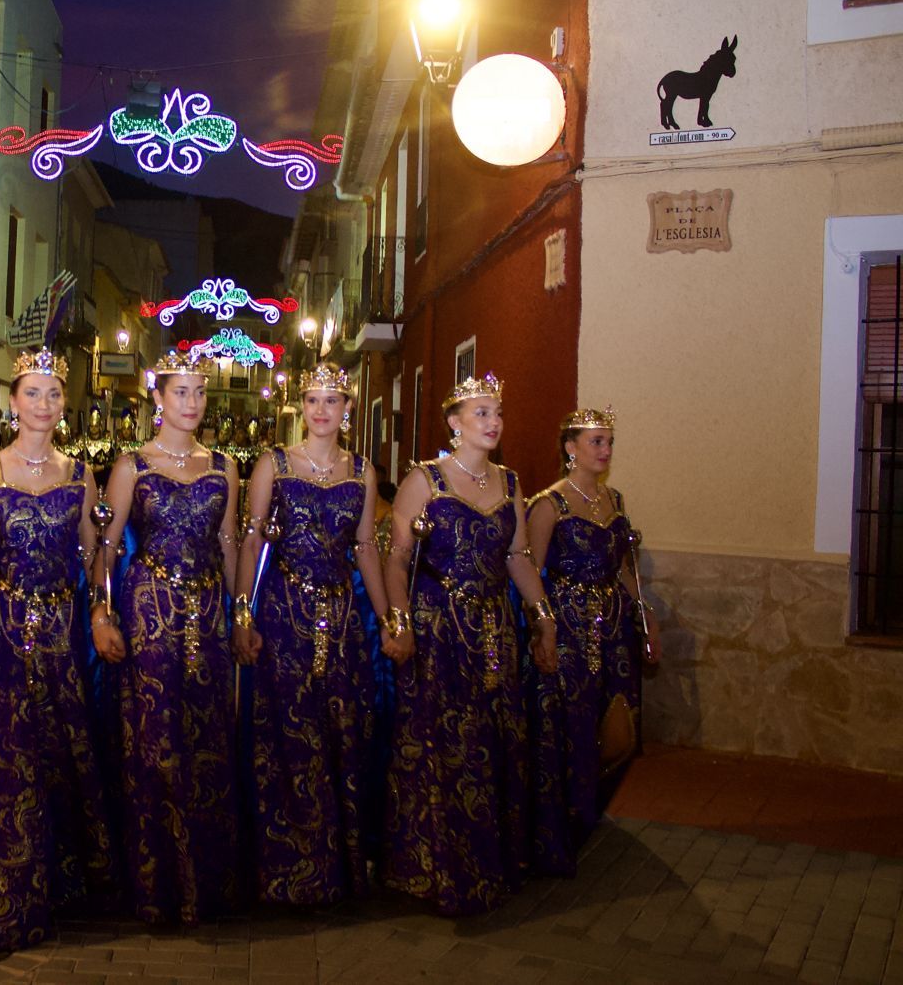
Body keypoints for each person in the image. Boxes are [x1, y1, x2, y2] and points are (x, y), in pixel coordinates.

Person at [0, 349, 114, 950]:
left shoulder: (80, 475)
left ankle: (55, 888)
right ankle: (4, 898)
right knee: (3, 764)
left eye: (53, 393)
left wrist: (100, 609)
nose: (43, 404)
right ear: (13, 402)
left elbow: (94, 556)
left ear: (62, 404)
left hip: (62, 638)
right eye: (32, 393)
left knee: (56, 758)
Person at [379, 373, 559, 915]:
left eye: (497, 412)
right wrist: (400, 622)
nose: (493, 422)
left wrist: (542, 617)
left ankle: (488, 862)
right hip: (438, 629)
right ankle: (434, 868)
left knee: (493, 738)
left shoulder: (510, 481)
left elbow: (517, 558)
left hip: (493, 630)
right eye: (480, 413)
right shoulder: (425, 480)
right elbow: (396, 558)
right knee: (441, 743)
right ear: (455, 423)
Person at [92, 350, 241, 927]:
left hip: (206, 612)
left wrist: (241, 613)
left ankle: (204, 879)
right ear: (158, 398)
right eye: (181, 392)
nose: (192, 403)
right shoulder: (133, 465)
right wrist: (103, 614)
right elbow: (105, 547)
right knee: (155, 739)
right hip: (149, 608)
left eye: (200, 392)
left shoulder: (222, 465)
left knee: (206, 733)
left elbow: (228, 544)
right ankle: (155, 883)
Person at [233, 364, 390, 905]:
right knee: (287, 731)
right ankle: (285, 865)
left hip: (342, 618)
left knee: (339, 729)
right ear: (302, 406)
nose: (323, 410)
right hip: (282, 612)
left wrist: (388, 614)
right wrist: (243, 613)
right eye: (314, 401)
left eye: (333, 401)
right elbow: (252, 540)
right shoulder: (274, 465)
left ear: (347, 408)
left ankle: (337, 863)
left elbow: (366, 547)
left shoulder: (364, 471)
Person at [527, 407, 661, 875]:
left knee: (616, 719)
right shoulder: (549, 504)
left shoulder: (614, 500)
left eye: (608, 442)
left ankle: (589, 809)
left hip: (612, 628)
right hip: (567, 627)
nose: (605, 451)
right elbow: (532, 572)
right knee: (571, 721)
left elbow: (625, 568)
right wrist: (542, 628)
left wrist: (646, 619)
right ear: (571, 448)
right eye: (596, 442)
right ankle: (559, 826)